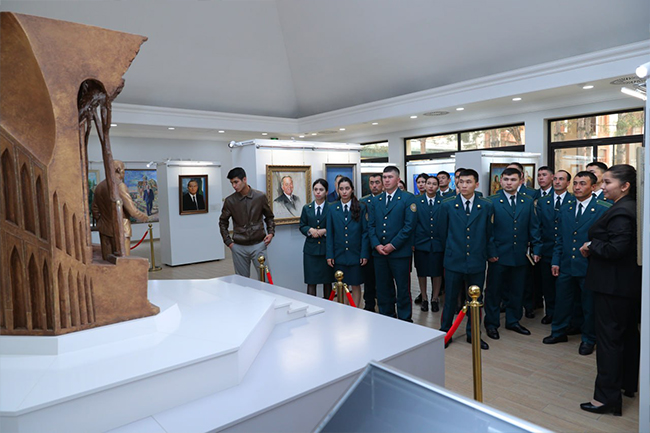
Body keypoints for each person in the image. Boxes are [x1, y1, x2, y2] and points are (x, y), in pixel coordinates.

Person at [580, 164, 641, 416]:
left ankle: (605, 399)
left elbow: (616, 249)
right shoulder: (631, 207)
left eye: (607, 182)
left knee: (609, 342)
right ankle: (627, 385)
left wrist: (591, 245)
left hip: (612, 287)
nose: (602, 187)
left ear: (625, 186)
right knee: (627, 336)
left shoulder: (622, 212)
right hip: (625, 285)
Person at [543, 171, 610, 356]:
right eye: (576, 183)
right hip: (566, 264)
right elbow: (560, 238)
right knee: (562, 301)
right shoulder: (566, 208)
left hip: (589, 266)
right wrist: (556, 261)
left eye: (583, 184)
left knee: (589, 306)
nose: (578, 187)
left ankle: (589, 339)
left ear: (593, 187)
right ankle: (558, 332)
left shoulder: (603, 208)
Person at [438, 169, 493, 350]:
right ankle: (445, 333)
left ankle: (473, 334)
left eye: (468, 182)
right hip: (454, 259)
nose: (464, 185)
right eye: (461, 182)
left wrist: (488, 253)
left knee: (475, 300)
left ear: (476, 184)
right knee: (450, 299)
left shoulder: (485, 206)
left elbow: (489, 233)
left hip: (476, 259)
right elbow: (442, 233)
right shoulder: (447, 205)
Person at [484, 167, 541, 340]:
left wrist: (536, 249)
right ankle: (491, 324)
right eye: (506, 179)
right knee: (494, 292)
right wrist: (491, 252)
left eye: (513, 179)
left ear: (521, 181)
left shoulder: (527, 201)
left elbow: (534, 227)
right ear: (501, 181)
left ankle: (513, 320)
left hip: (520, 254)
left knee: (517, 290)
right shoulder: (491, 201)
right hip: (498, 255)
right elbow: (487, 231)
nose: (509, 183)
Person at [367, 166, 416, 321]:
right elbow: (371, 226)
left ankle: (405, 319)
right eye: (384, 177)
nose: (386, 180)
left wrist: (392, 245)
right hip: (380, 253)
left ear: (398, 179)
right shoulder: (376, 200)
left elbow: (409, 226)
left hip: (399, 252)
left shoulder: (407, 198)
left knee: (402, 288)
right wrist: (377, 245)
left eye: (390, 177)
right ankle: (386, 317)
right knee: (383, 288)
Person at [219, 167, 275, 277]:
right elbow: (222, 222)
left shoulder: (260, 197)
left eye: (236, 182)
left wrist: (271, 233)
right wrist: (228, 242)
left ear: (244, 179)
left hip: (259, 244)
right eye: (232, 183)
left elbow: (269, 217)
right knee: (241, 282)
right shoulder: (230, 201)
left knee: (266, 279)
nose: (234, 186)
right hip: (239, 246)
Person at [92, 160, 149, 260]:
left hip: (104, 230)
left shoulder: (99, 187)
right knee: (123, 262)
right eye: (123, 170)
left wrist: (103, 221)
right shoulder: (119, 186)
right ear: (119, 170)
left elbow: (95, 210)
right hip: (121, 229)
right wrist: (145, 217)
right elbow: (132, 211)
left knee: (107, 261)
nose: (124, 173)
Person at [535, 168, 571, 324]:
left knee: (565, 287)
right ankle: (550, 312)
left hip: (566, 251)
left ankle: (565, 316)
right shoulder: (543, 201)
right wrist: (537, 249)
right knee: (548, 285)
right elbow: (537, 226)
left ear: (568, 183)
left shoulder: (573, 200)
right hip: (547, 249)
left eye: (561, 179)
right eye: (555, 179)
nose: (557, 182)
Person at [326, 177, 369, 307]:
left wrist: (364, 253)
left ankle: (355, 310)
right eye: (341, 189)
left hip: (356, 253)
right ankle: (344, 310)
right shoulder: (332, 208)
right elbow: (330, 233)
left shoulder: (361, 207)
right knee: (342, 284)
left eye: (347, 188)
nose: (344, 192)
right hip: (339, 253)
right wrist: (330, 254)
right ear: (338, 191)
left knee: (355, 284)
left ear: (352, 190)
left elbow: (365, 232)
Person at [413, 175, 443, 313]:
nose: (431, 186)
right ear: (424, 185)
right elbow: (413, 223)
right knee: (422, 271)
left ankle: (435, 298)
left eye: (434, 184)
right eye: (428, 183)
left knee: (437, 272)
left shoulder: (443, 202)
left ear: (438, 186)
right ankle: (424, 298)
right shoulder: (416, 202)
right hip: (421, 242)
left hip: (438, 242)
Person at [300, 178, 334, 299]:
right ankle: (311, 305)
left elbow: (336, 226)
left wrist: (325, 230)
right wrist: (310, 230)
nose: (318, 192)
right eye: (316, 189)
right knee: (311, 281)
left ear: (326, 191)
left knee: (327, 282)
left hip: (326, 250)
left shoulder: (332, 208)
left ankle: (329, 305)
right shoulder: (307, 208)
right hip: (311, 251)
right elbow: (302, 225)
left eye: (321, 189)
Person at [360, 174, 383, 311]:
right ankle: (369, 305)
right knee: (368, 278)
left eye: (377, 182)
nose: (374, 185)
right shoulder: (363, 202)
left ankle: (384, 305)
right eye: (372, 182)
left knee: (383, 279)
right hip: (368, 245)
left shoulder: (386, 199)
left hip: (383, 244)